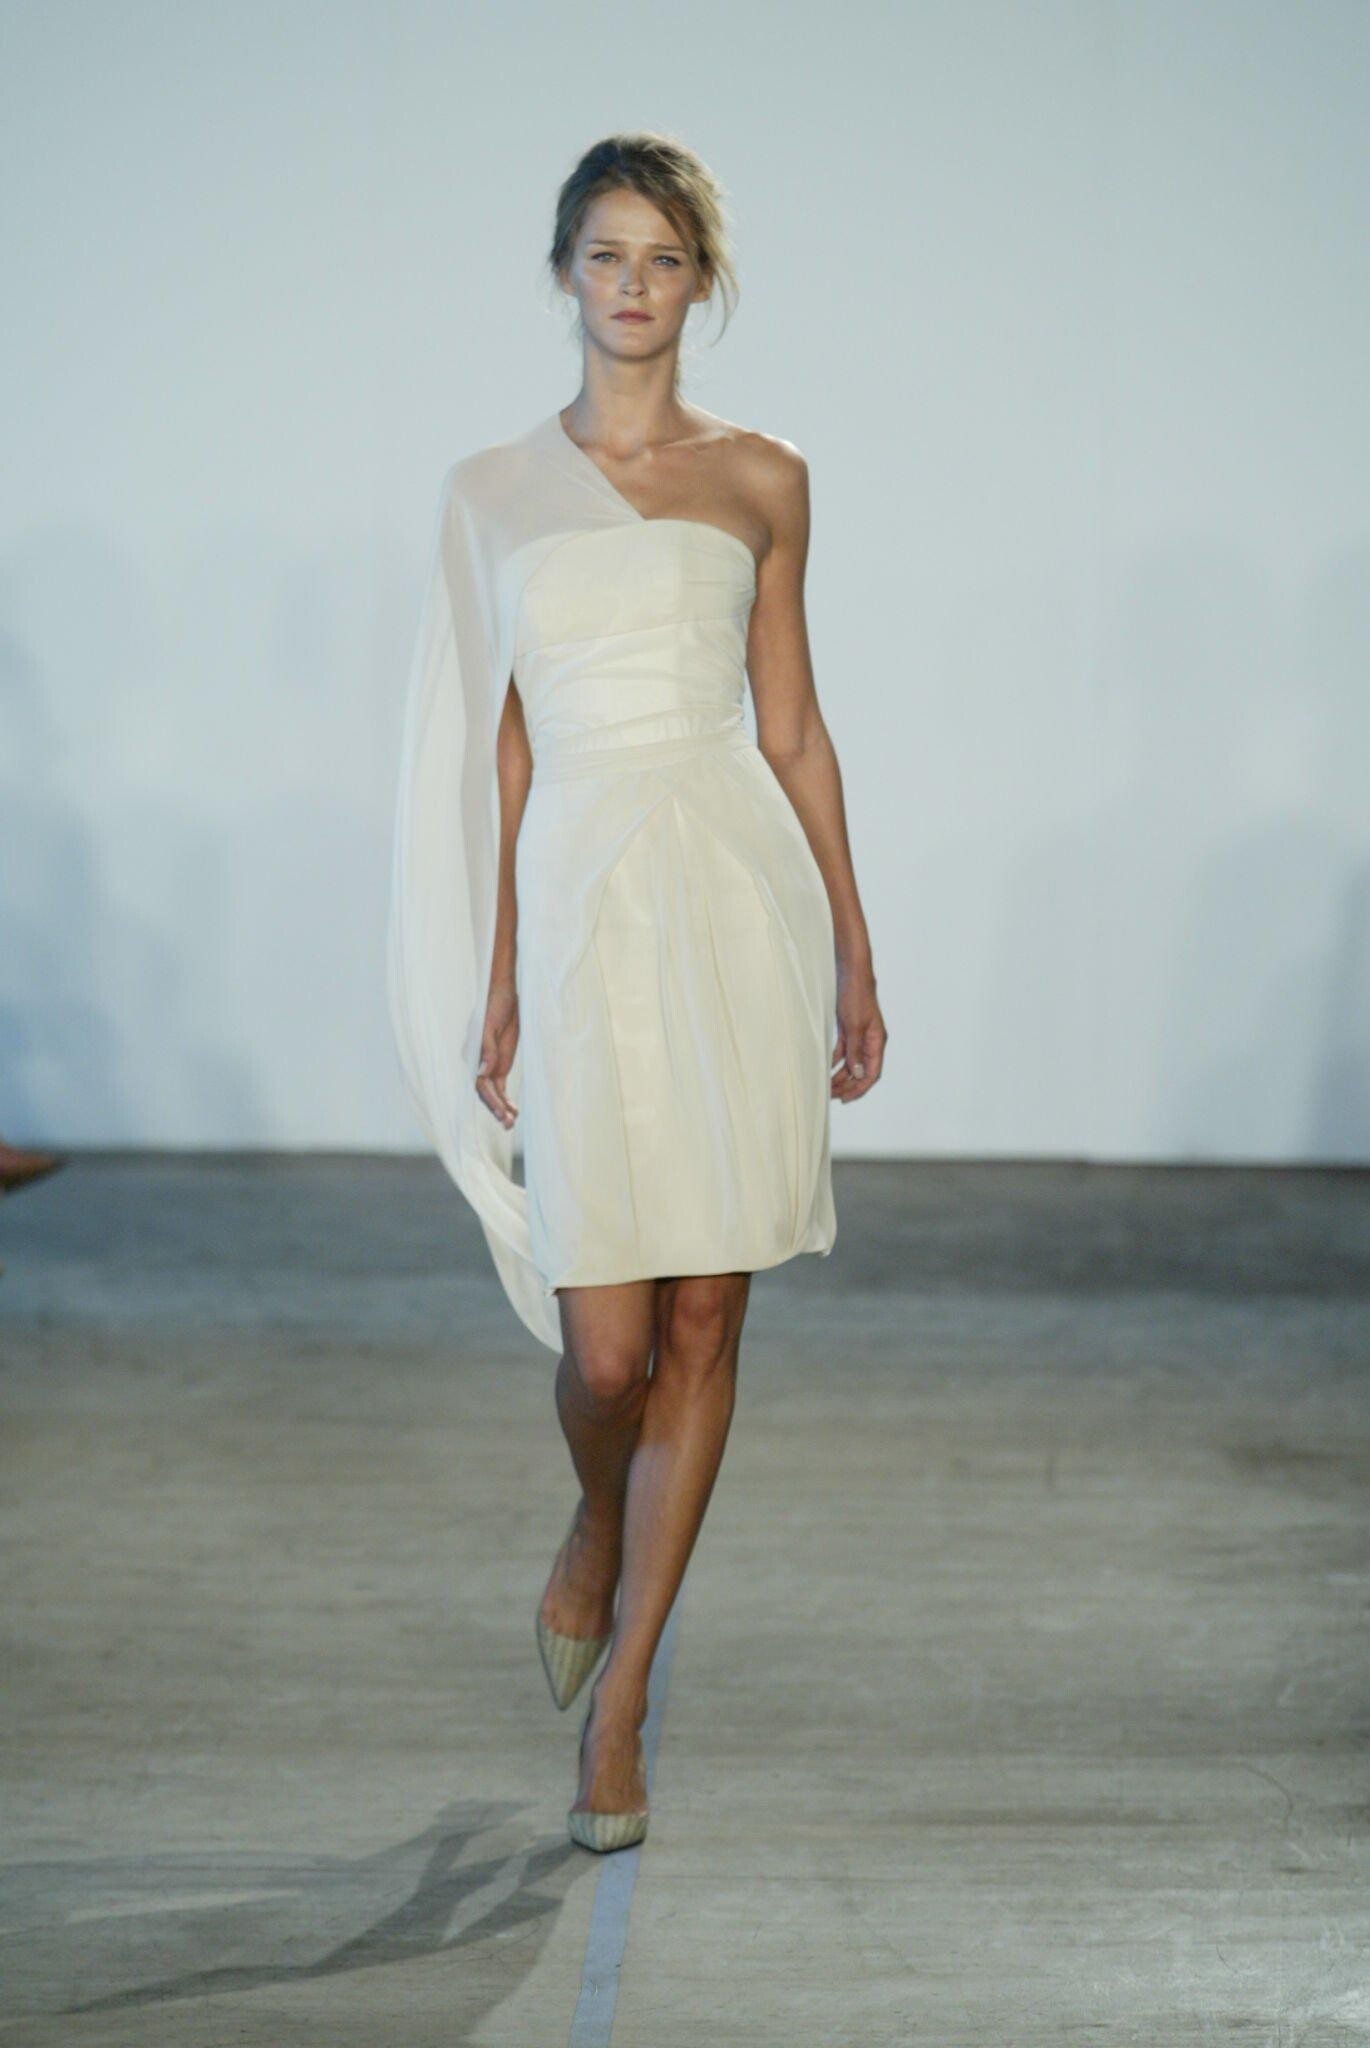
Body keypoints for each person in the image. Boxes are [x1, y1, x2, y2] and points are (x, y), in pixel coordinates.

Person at [386, 131, 886, 1854]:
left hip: (735, 895)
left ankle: (622, 1710)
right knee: (603, 1353)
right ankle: (593, 1522)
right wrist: (496, 966)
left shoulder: (763, 477)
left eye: (662, 259)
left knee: (701, 1319)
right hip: (583, 902)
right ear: (563, 274)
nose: (631, 286)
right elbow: (498, 748)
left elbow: (791, 725)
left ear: (700, 284)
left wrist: (853, 940)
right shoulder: (491, 491)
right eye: (604, 255)